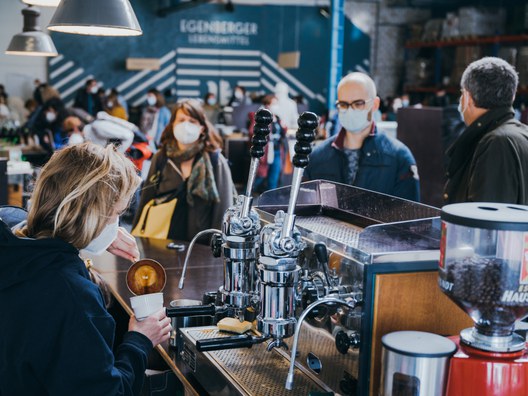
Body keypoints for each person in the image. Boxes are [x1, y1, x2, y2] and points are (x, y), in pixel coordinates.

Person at [0, 143, 171, 395]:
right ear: (92, 215)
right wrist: (140, 340)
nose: (117, 223)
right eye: (116, 214)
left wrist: (86, 236)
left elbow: (20, 219)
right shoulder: (71, 295)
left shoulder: (10, 234)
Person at [304, 72, 420, 201]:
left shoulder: (398, 158)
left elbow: (409, 217)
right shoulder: (318, 157)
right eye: (343, 104)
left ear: (375, 104)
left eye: (358, 103)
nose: (350, 110)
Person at [133, 99, 236, 241]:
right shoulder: (161, 158)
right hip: (162, 242)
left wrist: (217, 247)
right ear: (173, 125)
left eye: (192, 121)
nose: (186, 125)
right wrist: (136, 237)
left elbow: (224, 209)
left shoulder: (215, 161)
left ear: (202, 128)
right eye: (181, 120)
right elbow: (146, 200)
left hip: (200, 245)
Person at [444, 57, 528, 205]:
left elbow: (486, 220)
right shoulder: (521, 134)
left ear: (468, 98)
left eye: (462, 93)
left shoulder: (496, 142)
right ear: (513, 95)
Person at [250, 94, 288, 192]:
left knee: (274, 177)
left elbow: (282, 134)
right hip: (265, 152)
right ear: (267, 105)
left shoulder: (277, 118)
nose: (276, 106)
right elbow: (252, 132)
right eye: (274, 104)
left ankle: (270, 201)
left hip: (277, 150)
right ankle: (247, 194)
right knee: (260, 176)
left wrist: (284, 127)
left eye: (277, 104)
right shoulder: (260, 117)